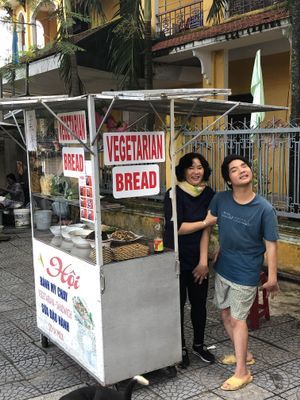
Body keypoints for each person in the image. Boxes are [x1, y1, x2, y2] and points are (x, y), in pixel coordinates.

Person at [206, 154, 279, 391]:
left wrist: (272, 277)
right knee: (225, 316)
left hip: (246, 272)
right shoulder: (221, 199)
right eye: (234, 169)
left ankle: (242, 372)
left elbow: (271, 245)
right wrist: (216, 248)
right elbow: (211, 224)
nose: (241, 170)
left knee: (238, 320)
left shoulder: (264, 209)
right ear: (229, 179)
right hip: (224, 267)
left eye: (244, 166)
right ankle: (245, 355)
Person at [164, 152, 216, 368]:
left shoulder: (209, 193)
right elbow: (177, 228)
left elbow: (208, 228)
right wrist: (204, 221)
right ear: (183, 171)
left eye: (200, 167)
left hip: (197, 259)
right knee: (177, 305)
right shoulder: (173, 194)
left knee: (199, 305)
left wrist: (204, 262)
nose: (196, 172)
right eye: (191, 167)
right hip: (175, 257)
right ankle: (180, 347)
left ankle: (199, 345)